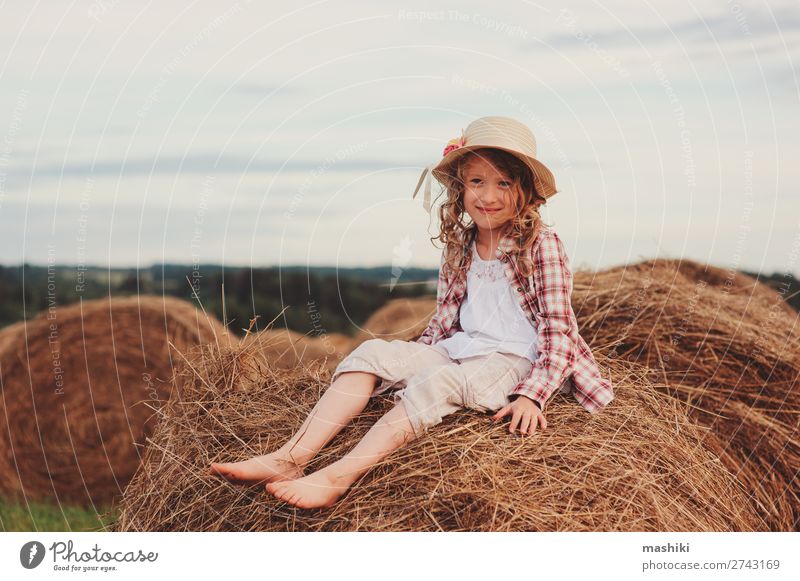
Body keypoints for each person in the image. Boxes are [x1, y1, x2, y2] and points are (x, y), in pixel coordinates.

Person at [209, 116, 614, 509]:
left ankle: (336, 477)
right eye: (477, 182)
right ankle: (291, 456)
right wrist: (408, 361)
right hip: (462, 345)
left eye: (503, 183)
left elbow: (558, 329)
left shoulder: (542, 244)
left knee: (437, 382)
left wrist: (533, 396)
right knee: (370, 355)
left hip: (516, 357)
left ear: (525, 190)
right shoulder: (461, 244)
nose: (488, 196)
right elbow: (445, 317)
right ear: (460, 188)